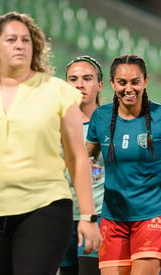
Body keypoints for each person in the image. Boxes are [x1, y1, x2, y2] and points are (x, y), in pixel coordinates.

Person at [0, 12, 101, 275]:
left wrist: (88, 217)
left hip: (44, 206)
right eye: (11, 39)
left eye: (26, 40)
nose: (20, 45)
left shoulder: (58, 91)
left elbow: (78, 158)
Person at [85, 54, 161, 275]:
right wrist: (88, 166)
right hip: (113, 216)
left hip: (152, 214)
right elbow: (85, 158)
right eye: (122, 82)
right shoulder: (100, 117)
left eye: (135, 82)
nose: (129, 88)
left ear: (145, 81)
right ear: (111, 83)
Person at [59, 55, 105, 275]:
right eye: (73, 79)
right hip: (62, 216)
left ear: (100, 85)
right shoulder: (54, 124)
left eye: (87, 78)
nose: (79, 84)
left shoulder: (112, 124)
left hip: (99, 216)